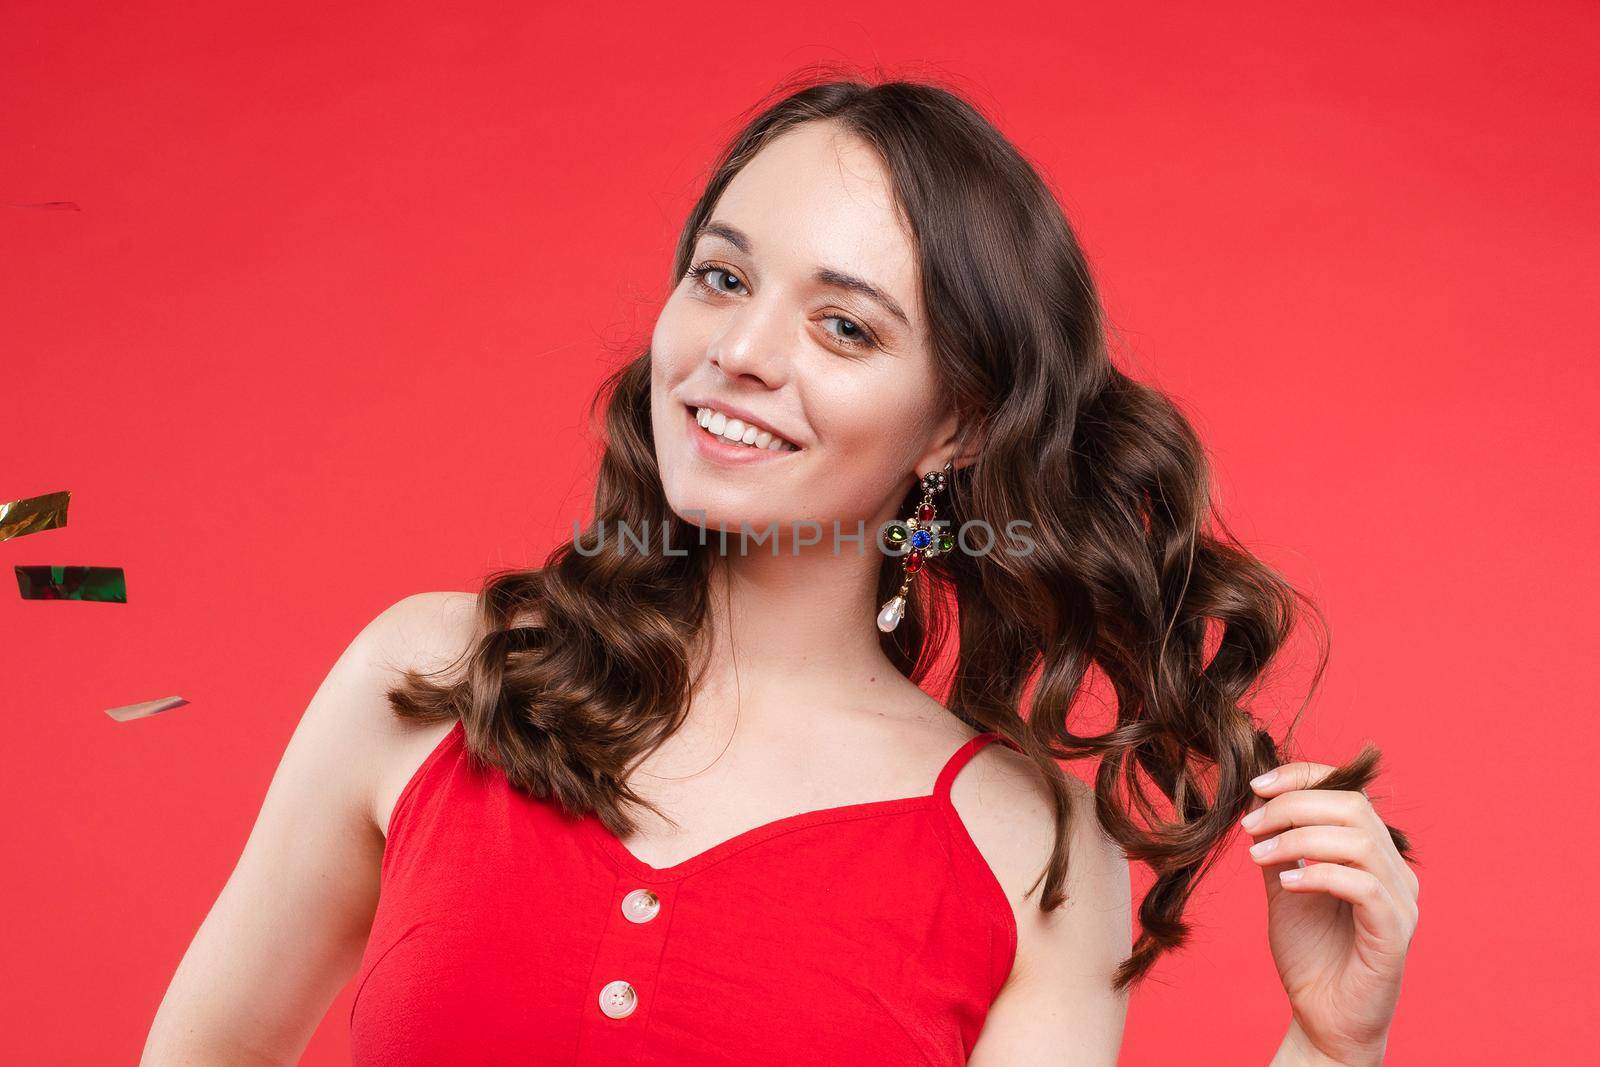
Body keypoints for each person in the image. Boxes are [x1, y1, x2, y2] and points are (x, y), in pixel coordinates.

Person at [143, 74, 1419, 1065]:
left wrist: (1328, 1041)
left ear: (957, 423)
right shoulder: (432, 677)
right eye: (721, 274)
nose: (741, 349)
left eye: (845, 325)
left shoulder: (1026, 842)